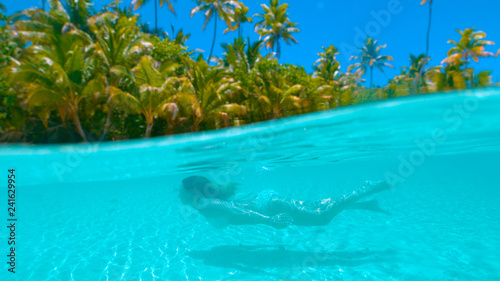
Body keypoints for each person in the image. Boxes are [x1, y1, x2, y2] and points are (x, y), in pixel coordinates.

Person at [179, 175, 392, 229]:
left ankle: (368, 188)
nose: (178, 194)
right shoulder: (204, 204)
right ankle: (366, 203)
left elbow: (235, 211)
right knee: (315, 205)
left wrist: (268, 221)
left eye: (181, 191)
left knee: (321, 218)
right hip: (266, 200)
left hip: (268, 207)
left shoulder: (204, 205)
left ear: (193, 191)